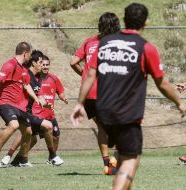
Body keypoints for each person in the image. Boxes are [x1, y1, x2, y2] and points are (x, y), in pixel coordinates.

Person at [71, 3, 186, 190]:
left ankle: (112, 168)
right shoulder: (145, 47)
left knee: (124, 158)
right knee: (132, 159)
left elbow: (90, 73)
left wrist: (79, 103)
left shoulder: (105, 44)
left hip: (103, 109)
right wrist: (179, 102)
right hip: (126, 112)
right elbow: (162, 83)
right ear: (146, 21)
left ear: (124, 20)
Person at [70, 12, 121, 175]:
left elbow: (73, 62)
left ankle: (107, 164)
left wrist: (85, 77)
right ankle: (115, 161)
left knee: (102, 128)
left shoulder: (89, 41)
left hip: (90, 94)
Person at [1, 54, 66, 166]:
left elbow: (44, 96)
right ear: (34, 63)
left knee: (50, 135)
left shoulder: (52, 78)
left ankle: (20, 160)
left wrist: (55, 101)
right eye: (41, 63)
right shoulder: (30, 76)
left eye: (46, 64)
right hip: (32, 112)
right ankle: (9, 155)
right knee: (28, 134)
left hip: (48, 114)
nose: (44, 66)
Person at [0, 42, 41, 167]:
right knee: (13, 125)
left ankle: (22, 160)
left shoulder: (23, 69)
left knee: (28, 132)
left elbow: (26, 85)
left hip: (19, 106)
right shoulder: (10, 64)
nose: (30, 56)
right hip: (5, 102)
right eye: (30, 54)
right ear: (25, 53)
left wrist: (36, 98)